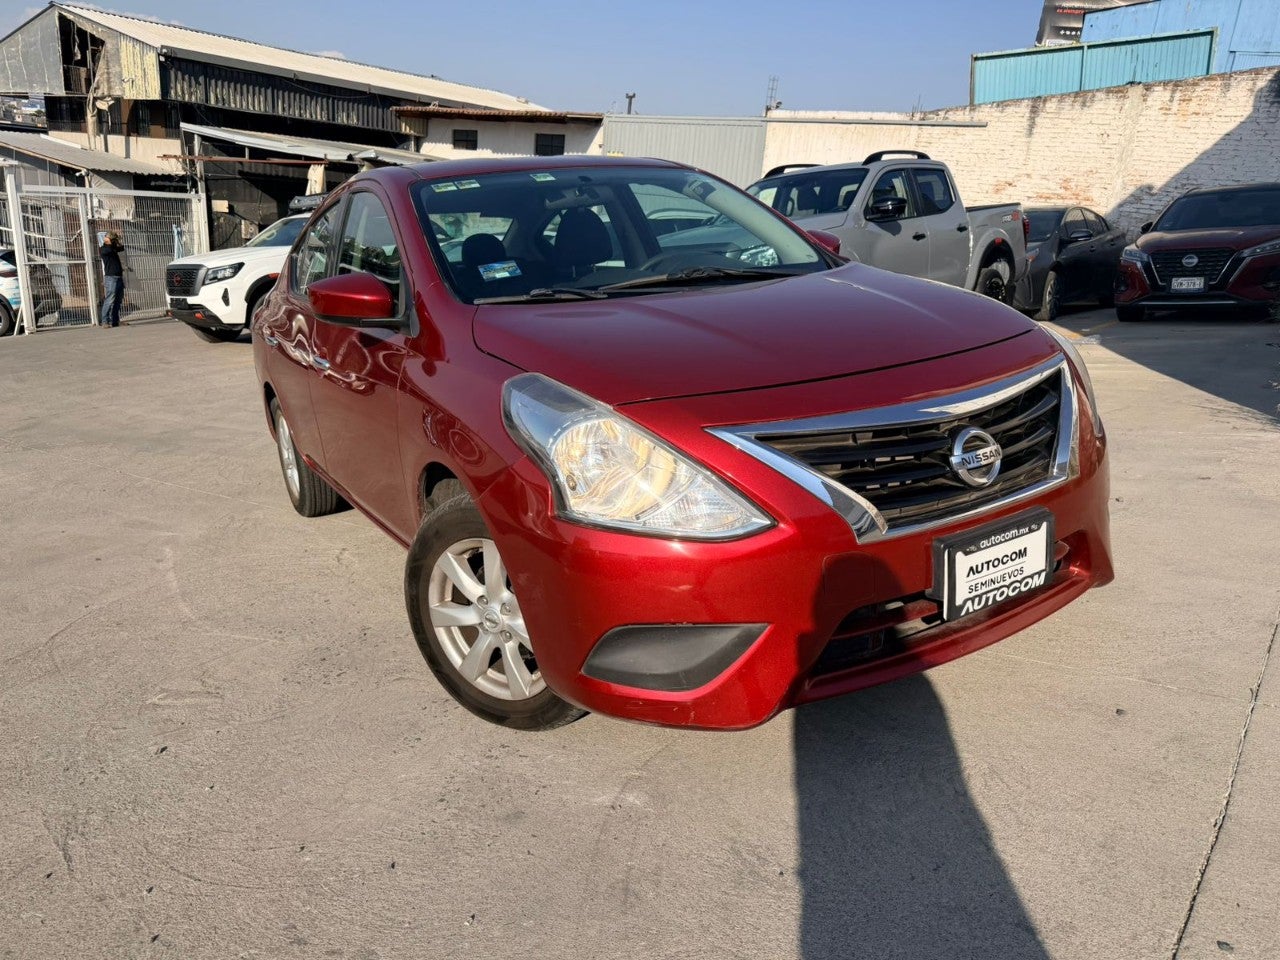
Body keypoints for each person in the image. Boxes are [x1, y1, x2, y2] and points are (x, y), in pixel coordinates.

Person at [99, 231, 125, 327]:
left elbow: (121, 248)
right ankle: (105, 321)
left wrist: (116, 241)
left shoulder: (113, 248)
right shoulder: (103, 249)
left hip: (119, 277)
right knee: (109, 300)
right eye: (113, 240)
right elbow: (109, 249)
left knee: (118, 300)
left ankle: (115, 321)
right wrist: (108, 240)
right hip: (111, 278)